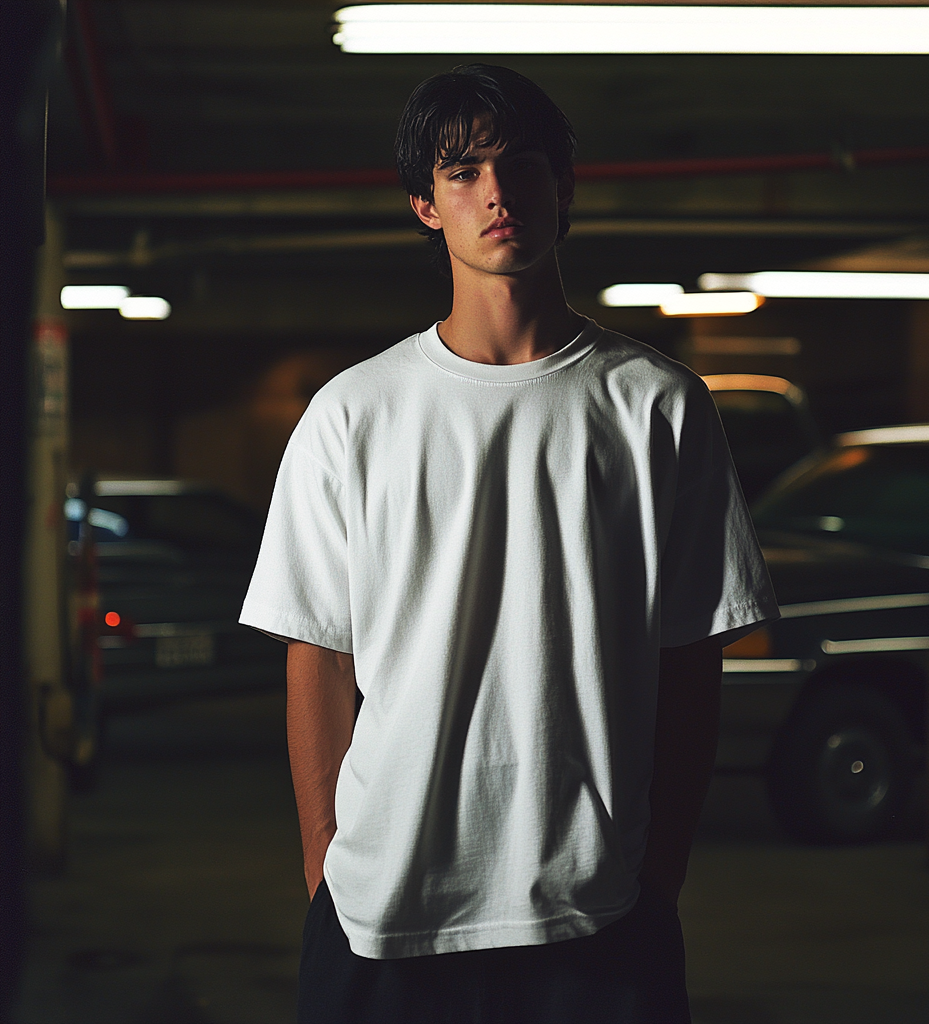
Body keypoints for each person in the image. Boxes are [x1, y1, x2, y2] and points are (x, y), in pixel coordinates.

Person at [240, 64, 778, 1024]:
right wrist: (324, 871)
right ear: (424, 205)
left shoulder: (657, 406)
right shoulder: (351, 415)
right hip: (382, 915)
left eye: (520, 164)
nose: (496, 192)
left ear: (563, 187)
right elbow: (317, 653)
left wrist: (659, 876)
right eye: (462, 171)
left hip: (597, 915)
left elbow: (692, 657)